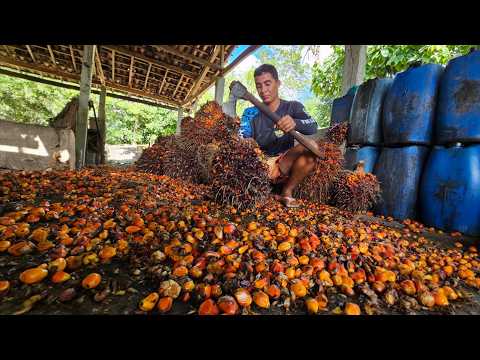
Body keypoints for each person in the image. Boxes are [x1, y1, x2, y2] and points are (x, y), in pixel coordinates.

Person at [240, 64, 318, 208]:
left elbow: (313, 125)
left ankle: (287, 191)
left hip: (285, 165)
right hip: (258, 167)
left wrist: (295, 123)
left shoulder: (293, 107)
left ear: (278, 83)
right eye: (259, 86)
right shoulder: (249, 113)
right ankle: (261, 190)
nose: (263, 90)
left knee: (311, 149)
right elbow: (242, 136)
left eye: (267, 84)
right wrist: (248, 142)